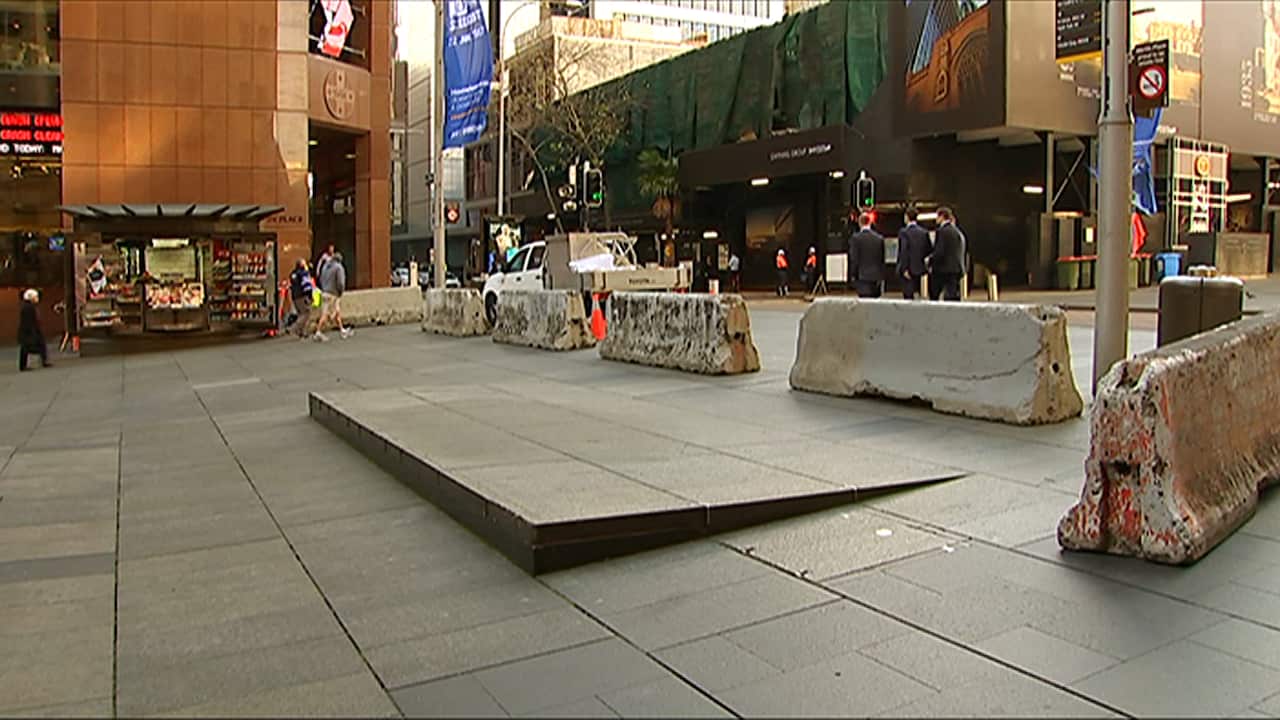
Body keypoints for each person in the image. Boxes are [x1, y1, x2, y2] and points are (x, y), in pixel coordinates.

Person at [927, 206, 966, 301]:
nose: (936, 219)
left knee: (934, 293)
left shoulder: (942, 231)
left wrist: (930, 260)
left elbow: (940, 251)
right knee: (953, 295)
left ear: (942, 217)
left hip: (943, 269)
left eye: (937, 216)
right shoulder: (958, 232)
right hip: (956, 269)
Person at [314, 251, 353, 341]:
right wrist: (340, 291)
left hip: (324, 292)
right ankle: (318, 332)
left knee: (337, 311)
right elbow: (340, 282)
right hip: (333, 293)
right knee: (325, 314)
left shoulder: (325, 267)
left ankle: (342, 330)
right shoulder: (338, 268)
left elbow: (320, 278)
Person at [897, 207, 932, 300]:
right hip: (920, 268)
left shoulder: (904, 232)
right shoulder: (924, 232)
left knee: (908, 295)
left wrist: (904, 268)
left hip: (908, 269)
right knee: (920, 295)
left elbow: (904, 251)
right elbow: (928, 249)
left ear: (907, 217)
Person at [847, 212, 885, 298]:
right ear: (870, 222)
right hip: (876, 277)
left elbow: (854, 259)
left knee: (865, 304)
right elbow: (881, 259)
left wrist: (853, 275)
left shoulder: (856, 239)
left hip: (862, 277)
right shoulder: (879, 238)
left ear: (859, 223)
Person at [17, 288, 50, 371]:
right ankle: (24, 365)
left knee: (38, 345)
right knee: (27, 347)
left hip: (29, 330)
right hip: (29, 331)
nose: (37, 299)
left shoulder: (28, 307)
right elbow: (30, 321)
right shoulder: (28, 308)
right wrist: (34, 331)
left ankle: (43, 361)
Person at [288, 259, 316, 339]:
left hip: (295, 296)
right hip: (302, 296)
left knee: (301, 313)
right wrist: (310, 296)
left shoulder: (293, 274)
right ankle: (294, 328)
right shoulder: (304, 274)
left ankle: (302, 332)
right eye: (304, 264)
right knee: (306, 313)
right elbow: (307, 286)